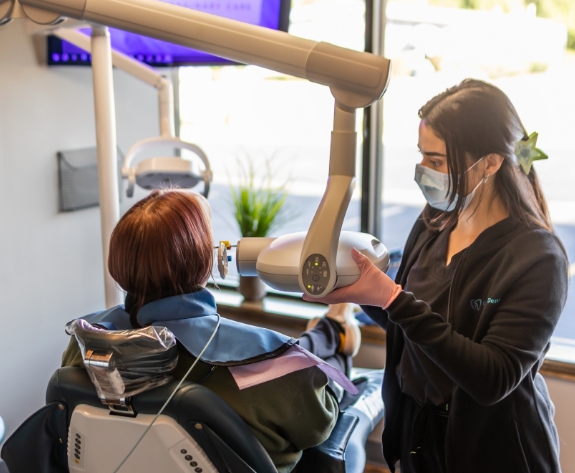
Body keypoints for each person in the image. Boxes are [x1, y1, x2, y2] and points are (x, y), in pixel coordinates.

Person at [304, 79, 569, 473]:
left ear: (491, 163)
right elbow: (413, 325)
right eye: (421, 156)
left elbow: (492, 377)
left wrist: (392, 297)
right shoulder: (433, 223)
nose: (422, 171)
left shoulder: (536, 258)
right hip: (420, 439)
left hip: (494, 452)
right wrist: (360, 291)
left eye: (437, 161)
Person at [61, 189, 366, 473]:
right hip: (296, 386)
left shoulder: (85, 348)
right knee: (349, 377)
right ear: (205, 260)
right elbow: (320, 421)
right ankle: (336, 329)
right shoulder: (271, 367)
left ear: (120, 264)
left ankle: (331, 329)